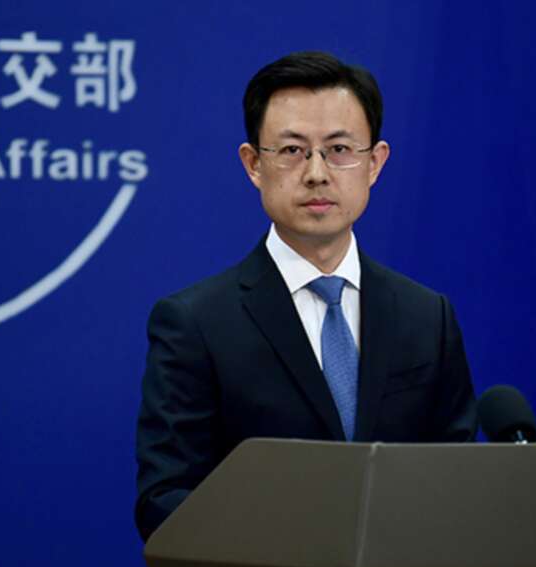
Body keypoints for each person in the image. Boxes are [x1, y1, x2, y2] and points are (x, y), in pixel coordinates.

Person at [135, 51, 476, 541]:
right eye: (293, 150)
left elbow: (458, 481)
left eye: (339, 149)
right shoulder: (196, 324)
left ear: (375, 163)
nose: (317, 172)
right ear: (253, 164)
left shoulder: (427, 317)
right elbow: (165, 501)